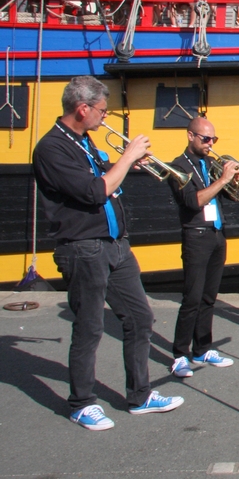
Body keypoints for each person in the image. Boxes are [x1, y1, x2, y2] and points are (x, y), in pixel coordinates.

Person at [32, 76, 184, 430]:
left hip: (115, 245)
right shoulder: (52, 148)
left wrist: (130, 166)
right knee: (89, 327)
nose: (105, 117)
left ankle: (140, 395)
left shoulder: (84, 141)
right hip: (83, 248)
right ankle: (82, 402)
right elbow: (93, 192)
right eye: (102, 110)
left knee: (140, 317)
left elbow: (107, 180)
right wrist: (128, 154)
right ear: (82, 109)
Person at [167, 118, 239, 378]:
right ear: (190, 136)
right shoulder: (177, 167)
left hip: (217, 233)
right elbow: (194, 201)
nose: (210, 144)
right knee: (192, 299)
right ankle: (179, 354)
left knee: (209, 297)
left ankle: (202, 348)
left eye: (213, 139)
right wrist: (223, 179)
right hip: (196, 236)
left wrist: (235, 181)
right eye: (205, 139)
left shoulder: (210, 164)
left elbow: (226, 194)